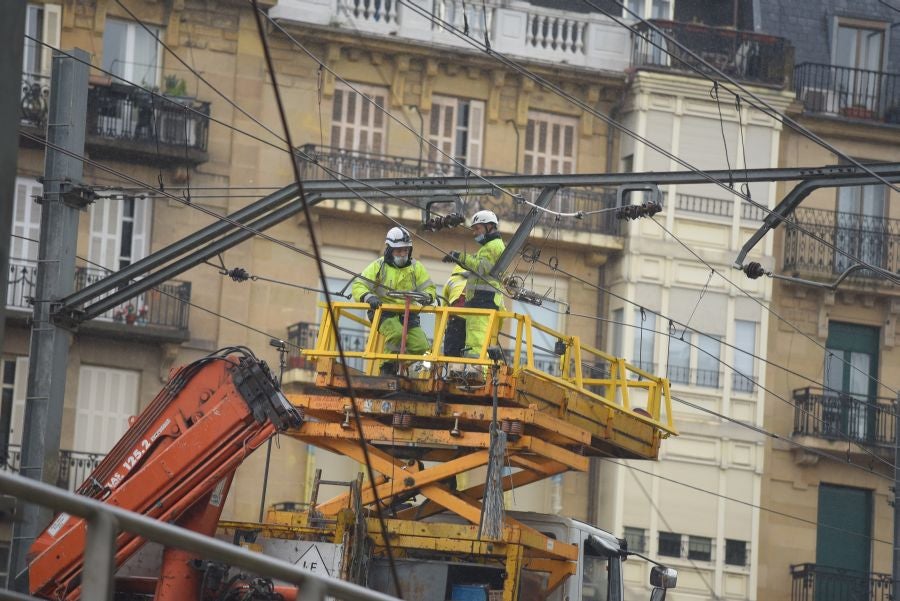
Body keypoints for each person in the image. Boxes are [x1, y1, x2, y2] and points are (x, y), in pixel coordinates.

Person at [352, 226, 437, 375]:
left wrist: (427, 297)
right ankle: (387, 367)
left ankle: (399, 364)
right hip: (383, 313)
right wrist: (369, 297)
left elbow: (429, 288)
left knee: (422, 346)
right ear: (390, 250)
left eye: (405, 250)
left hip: (408, 315)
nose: (403, 254)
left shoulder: (417, 268)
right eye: (398, 251)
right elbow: (359, 285)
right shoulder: (379, 266)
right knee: (397, 333)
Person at [442, 210, 505, 363]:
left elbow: (481, 268)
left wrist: (459, 257)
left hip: (484, 300)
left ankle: (475, 372)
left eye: (477, 228)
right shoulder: (488, 247)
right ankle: (470, 372)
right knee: (472, 341)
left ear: (489, 226)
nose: (475, 232)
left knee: (476, 343)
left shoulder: (493, 246)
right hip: (479, 301)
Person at [442, 264, 469, 357]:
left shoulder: (451, 280)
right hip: (476, 319)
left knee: (452, 353)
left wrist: (446, 324)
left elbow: (444, 306)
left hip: (456, 318)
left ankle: (453, 369)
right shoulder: (480, 279)